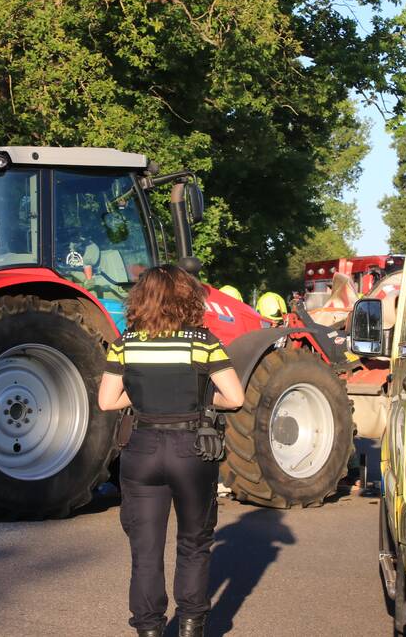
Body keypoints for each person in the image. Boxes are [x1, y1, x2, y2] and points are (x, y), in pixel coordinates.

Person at [99, 265, 245, 637]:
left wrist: (149, 395)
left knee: (145, 551)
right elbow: (235, 397)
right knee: (194, 543)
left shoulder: (125, 342)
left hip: (141, 449)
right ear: (187, 298)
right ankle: (192, 625)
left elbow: (107, 401)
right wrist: (197, 398)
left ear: (141, 299)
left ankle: (149, 629)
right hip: (191, 449)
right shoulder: (203, 341)